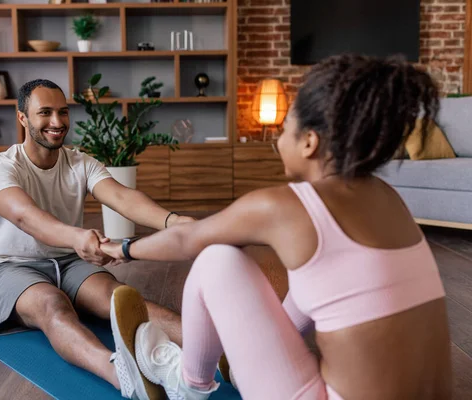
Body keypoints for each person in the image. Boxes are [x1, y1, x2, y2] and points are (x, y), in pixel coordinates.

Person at [103, 54, 452, 400]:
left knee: (216, 259)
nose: (279, 141)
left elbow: (186, 239)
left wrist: (121, 248)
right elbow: (327, 283)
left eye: (284, 128)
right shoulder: (390, 200)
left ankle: (186, 385)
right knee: (317, 272)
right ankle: (241, 369)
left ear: (309, 142)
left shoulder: (289, 206)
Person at [0, 78, 193, 400]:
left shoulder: (80, 162)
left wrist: (173, 221)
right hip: (10, 267)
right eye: (44, 113)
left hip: (68, 262)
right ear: (22, 117)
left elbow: (122, 197)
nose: (57, 122)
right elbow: (26, 217)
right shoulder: (0, 169)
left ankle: (215, 345)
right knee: (52, 305)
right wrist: (78, 237)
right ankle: (122, 375)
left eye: (62, 112)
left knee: (120, 298)